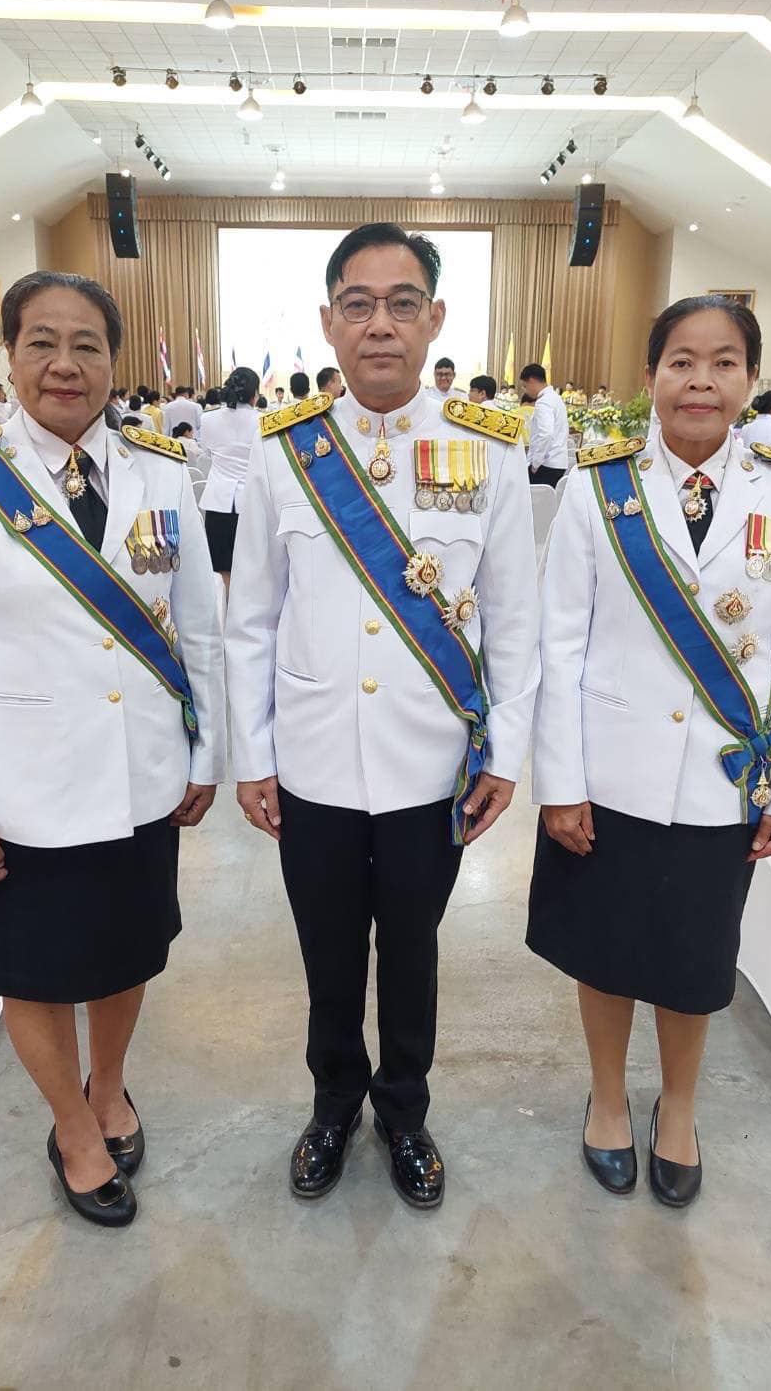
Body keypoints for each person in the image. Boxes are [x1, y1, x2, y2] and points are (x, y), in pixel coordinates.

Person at [0, 269, 226, 1228]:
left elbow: (196, 628)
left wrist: (205, 755)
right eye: (42, 341)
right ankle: (73, 1128)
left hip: (140, 772)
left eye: (86, 344)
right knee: (36, 966)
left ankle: (110, 1082)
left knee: (126, 952)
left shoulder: (163, 469)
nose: (64, 364)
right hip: (24, 785)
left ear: (114, 360)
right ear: (9, 357)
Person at [225, 222, 539, 1210]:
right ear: (327, 322)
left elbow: (519, 626)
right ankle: (332, 1104)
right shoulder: (284, 454)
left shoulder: (486, 450)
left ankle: (403, 1109)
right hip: (313, 761)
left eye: (402, 303)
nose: (379, 325)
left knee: (411, 949)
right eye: (356, 304)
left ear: (435, 319)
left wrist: (507, 753)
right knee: (326, 954)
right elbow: (250, 622)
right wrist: (252, 756)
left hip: (429, 764)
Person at [528, 294, 771, 1208]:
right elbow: (561, 647)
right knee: (606, 949)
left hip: (723, 783)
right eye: (682, 361)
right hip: (609, 779)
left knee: (697, 963)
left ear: (750, 377)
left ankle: (682, 1108)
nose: (701, 380)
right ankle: (612, 1098)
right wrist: (561, 783)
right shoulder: (596, 486)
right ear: (652, 374)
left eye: (724, 362)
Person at [199, 365, 261, 588]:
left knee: (221, 566)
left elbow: (205, 452)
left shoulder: (208, 419)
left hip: (218, 500)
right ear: (254, 394)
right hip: (251, 503)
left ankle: (224, 615)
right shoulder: (262, 421)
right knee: (252, 566)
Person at [519, 363, 570, 488]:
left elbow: (545, 434)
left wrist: (536, 463)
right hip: (559, 462)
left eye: (525, 386)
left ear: (531, 381)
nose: (525, 390)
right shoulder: (556, 398)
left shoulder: (544, 402)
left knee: (535, 504)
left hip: (545, 464)